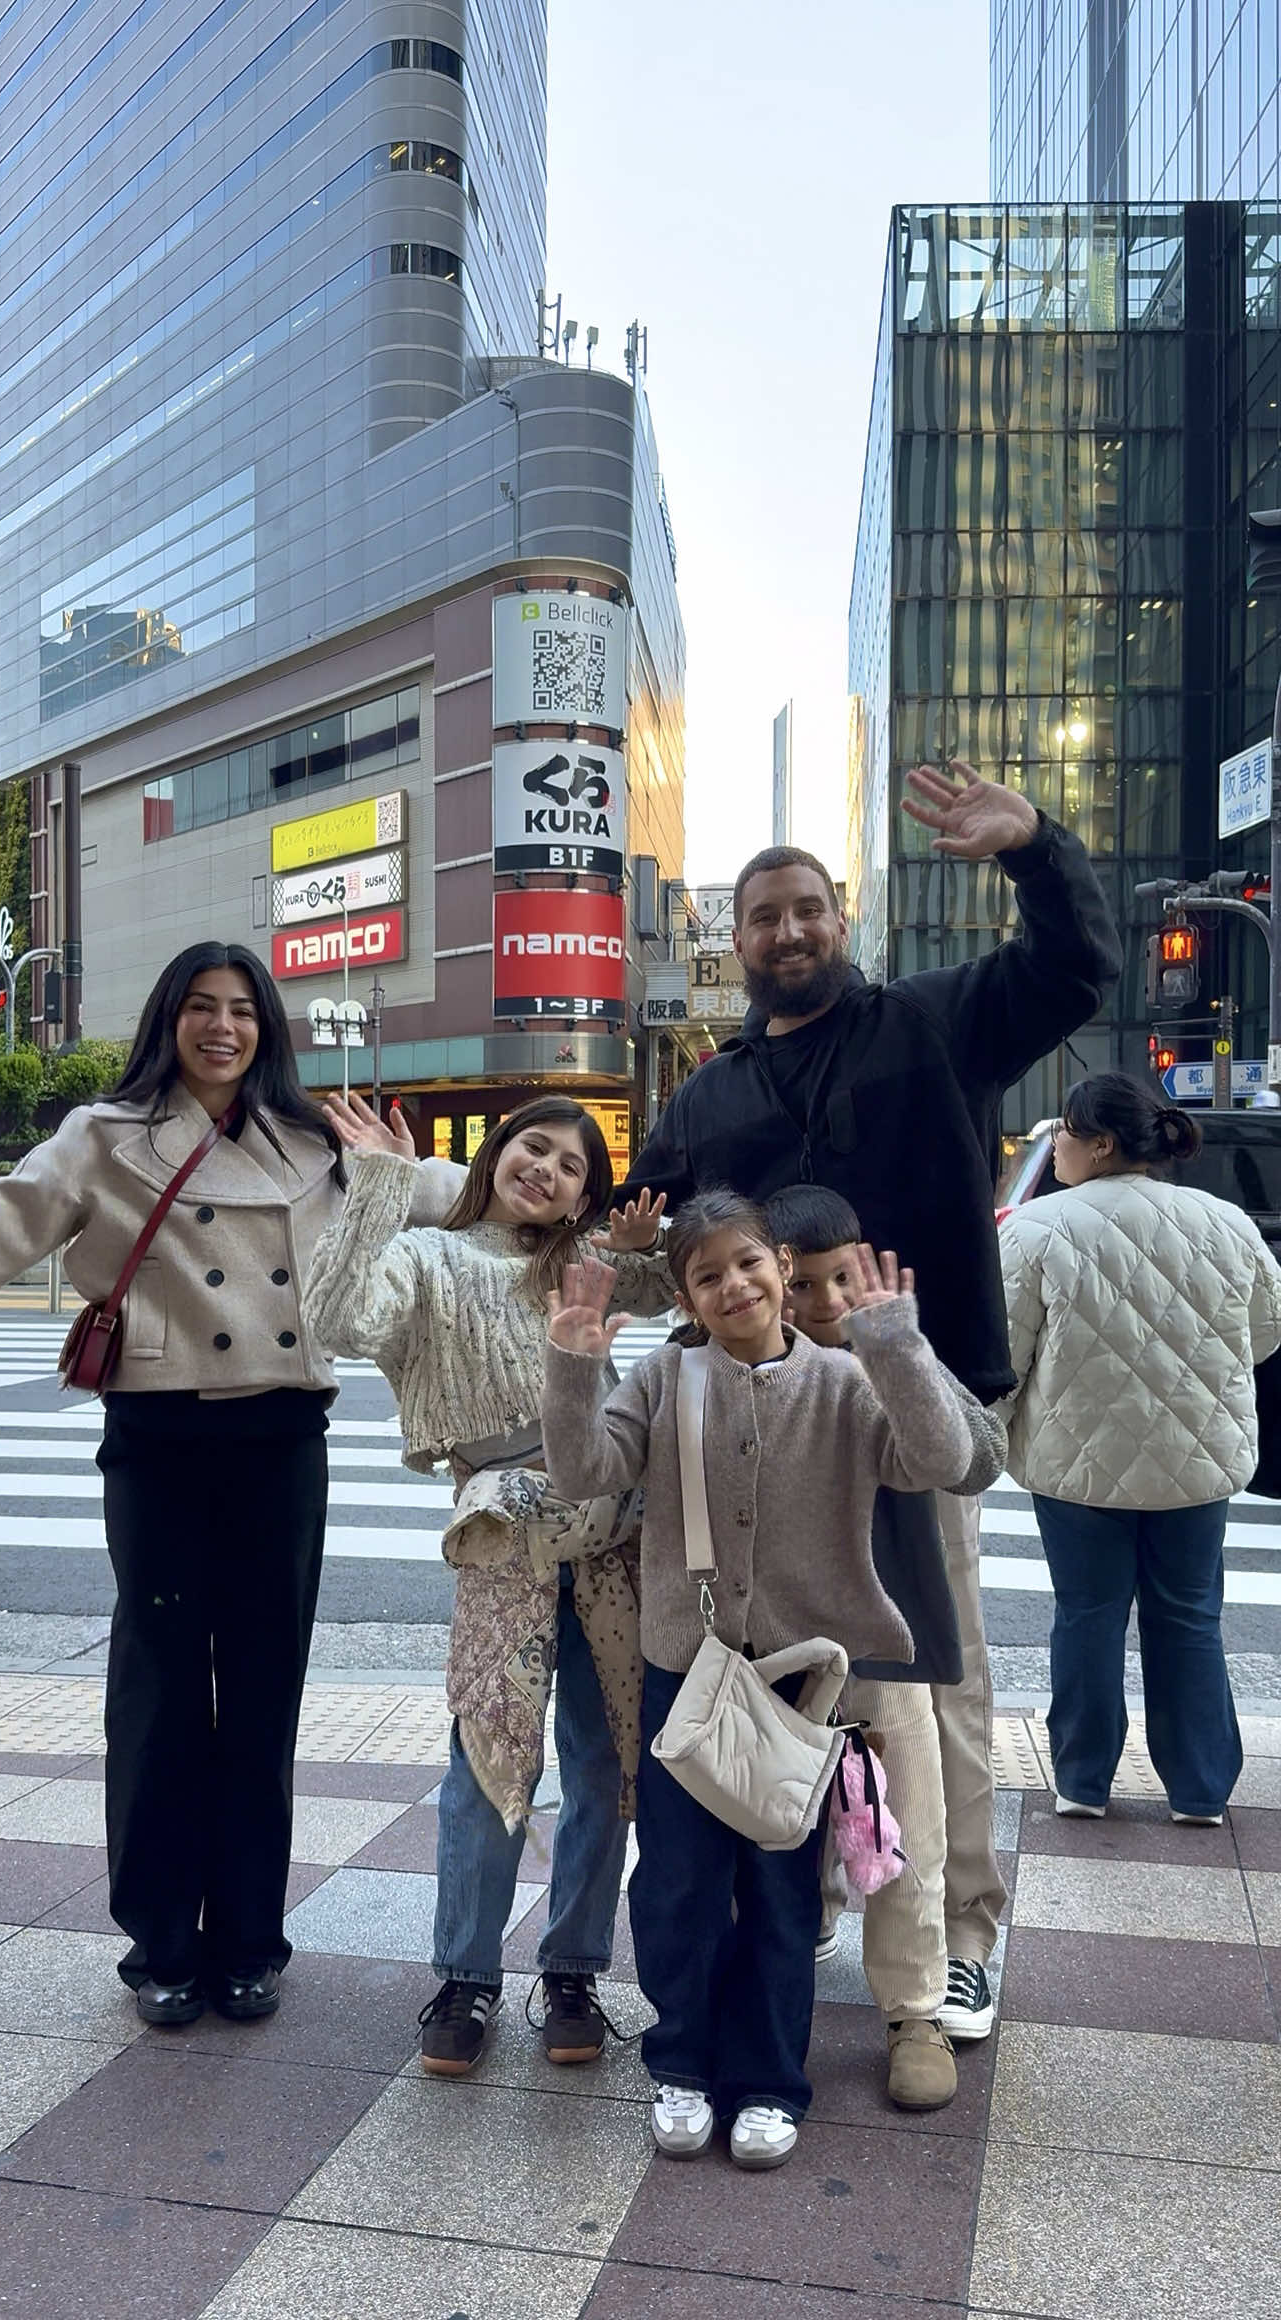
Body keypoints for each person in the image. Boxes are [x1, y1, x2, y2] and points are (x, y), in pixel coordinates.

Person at [618, 760, 1123, 2039]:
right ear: (734, 944)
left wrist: (1035, 851)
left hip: (909, 1412)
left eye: (809, 909)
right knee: (795, 1674)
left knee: (933, 1675)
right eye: (763, 916)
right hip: (764, 1425)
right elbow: (652, 1237)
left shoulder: (933, 1024)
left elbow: (1075, 972)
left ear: (843, 921)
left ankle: (962, 1929)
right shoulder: (707, 1093)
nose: (788, 931)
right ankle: (830, 1883)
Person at [0, 943, 431, 2028]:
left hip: (281, 1436)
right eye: (201, 1008)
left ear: (268, 1028)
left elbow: (455, 1198)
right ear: (168, 1018)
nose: (223, 1028)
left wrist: (558, 1185)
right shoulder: (103, 1137)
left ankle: (251, 1941)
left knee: (265, 1694)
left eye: (243, 1011)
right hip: (161, 1436)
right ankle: (163, 1941)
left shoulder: (315, 1141)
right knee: (163, 1688)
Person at [540, 1189, 1002, 2170]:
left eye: (747, 1262)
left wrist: (896, 1347)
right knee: (674, 1885)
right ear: (690, 1293)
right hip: (689, 1673)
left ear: (781, 1269)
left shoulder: (844, 1380)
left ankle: (769, 2081)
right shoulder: (668, 1380)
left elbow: (943, 1458)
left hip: (802, 1688)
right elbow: (584, 1474)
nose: (733, 1285)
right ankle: (682, 2061)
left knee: (781, 1890)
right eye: (707, 1274)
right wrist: (575, 1363)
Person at [303, 1093, 675, 2076]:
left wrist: (645, 1237)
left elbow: (686, 1279)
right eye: (532, 1145)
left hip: (609, 1521)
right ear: (495, 1152)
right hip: (501, 1524)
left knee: (605, 1759)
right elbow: (334, 1317)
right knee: (487, 1750)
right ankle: (466, 1974)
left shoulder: (589, 1267)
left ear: (586, 1195)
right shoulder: (433, 1257)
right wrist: (381, 1181)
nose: (545, 1167)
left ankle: (574, 1970)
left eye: (572, 1165)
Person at [764, 1182, 1005, 2110]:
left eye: (839, 1279)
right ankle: (777, 1975)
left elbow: (976, 1456)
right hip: (776, 1655)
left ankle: (913, 2012)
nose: (825, 1305)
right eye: (802, 1285)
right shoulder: (724, 1356)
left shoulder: (891, 1345)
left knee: (910, 1836)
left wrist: (894, 1344)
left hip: (888, 1644)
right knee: (773, 1826)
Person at [996, 1072, 1281, 1824]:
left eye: (1062, 1130)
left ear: (1101, 1143)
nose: (1055, 1141)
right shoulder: (1225, 1221)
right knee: (1188, 1614)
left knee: (1086, 1614)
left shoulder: (1037, 1230)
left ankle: (1083, 1779)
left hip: (1077, 1461)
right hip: (1197, 1460)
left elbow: (1006, 1351)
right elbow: (1264, 1330)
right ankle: (1199, 1787)